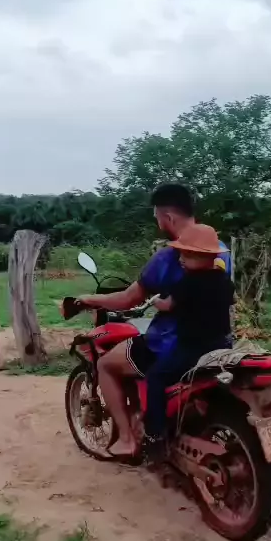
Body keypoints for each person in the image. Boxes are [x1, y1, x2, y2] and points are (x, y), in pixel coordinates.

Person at [76, 183, 231, 459]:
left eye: (157, 217)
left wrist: (90, 299)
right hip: (219, 342)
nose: (158, 224)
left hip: (172, 343)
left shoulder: (170, 256)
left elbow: (128, 299)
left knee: (106, 364)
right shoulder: (218, 250)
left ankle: (131, 440)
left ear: (167, 217)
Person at [144, 223, 235, 461]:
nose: (181, 259)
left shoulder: (187, 282)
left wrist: (154, 301)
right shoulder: (225, 281)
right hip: (223, 347)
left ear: (205, 257)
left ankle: (155, 435)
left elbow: (168, 305)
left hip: (193, 350)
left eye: (187, 254)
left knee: (155, 377)